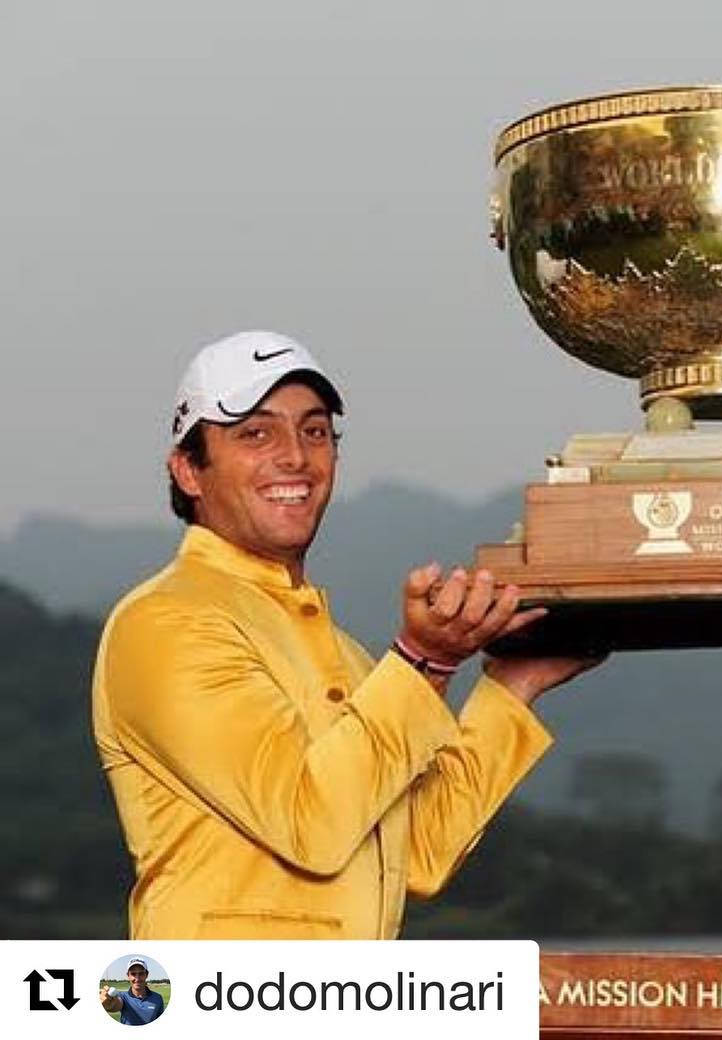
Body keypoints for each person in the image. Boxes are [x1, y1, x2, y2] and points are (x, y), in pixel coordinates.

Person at [93, 330, 600, 938]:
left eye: (314, 431)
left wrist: (512, 686)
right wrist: (424, 661)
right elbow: (313, 822)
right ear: (189, 471)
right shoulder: (166, 622)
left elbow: (419, 853)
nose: (294, 457)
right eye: (256, 433)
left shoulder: (347, 654)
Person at [100, 957, 164, 1025]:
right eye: (133, 974)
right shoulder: (122, 996)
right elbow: (116, 1004)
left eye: (141, 973)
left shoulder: (158, 998)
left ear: (146, 975)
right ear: (128, 976)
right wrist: (110, 1005)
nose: (137, 978)